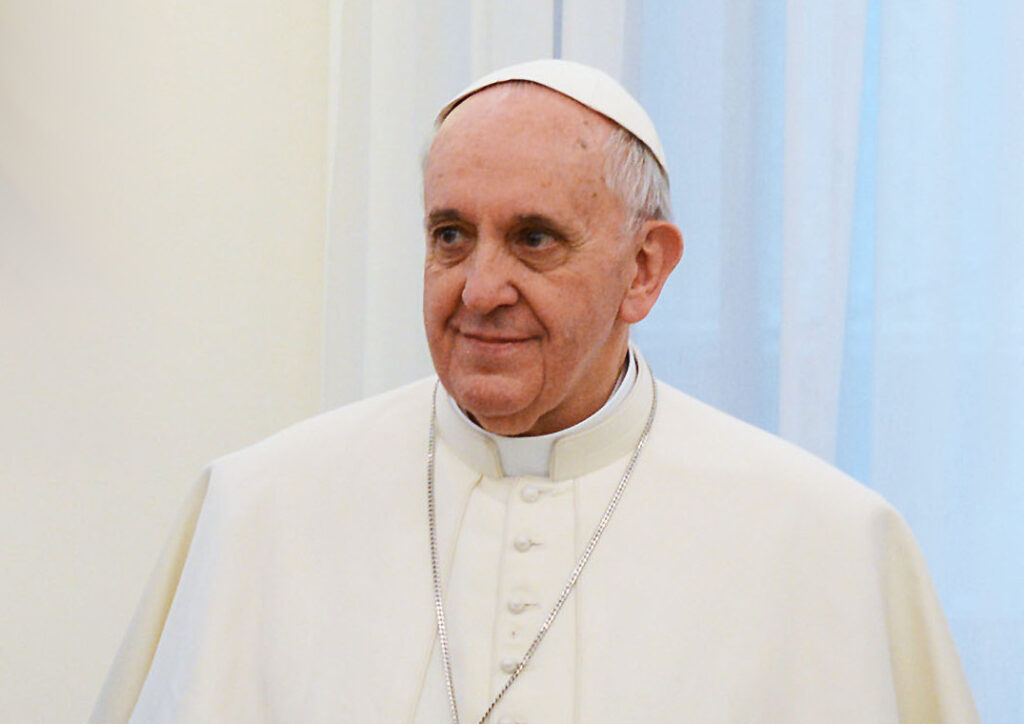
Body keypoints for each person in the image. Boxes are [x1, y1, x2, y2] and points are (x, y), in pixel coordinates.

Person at [91, 59, 978, 723]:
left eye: (535, 240)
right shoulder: (259, 508)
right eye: (450, 235)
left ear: (644, 268)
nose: (480, 290)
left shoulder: (824, 541)